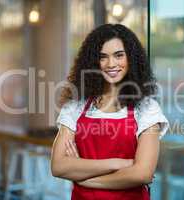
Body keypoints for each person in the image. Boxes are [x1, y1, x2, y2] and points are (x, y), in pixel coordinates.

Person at [51, 23, 169, 200]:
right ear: (93, 62)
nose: (111, 64)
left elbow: (142, 173)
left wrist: (84, 178)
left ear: (132, 58)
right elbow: (58, 166)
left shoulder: (146, 108)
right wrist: (118, 164)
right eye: (102, 57)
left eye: (119, 55)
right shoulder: (76, 106)